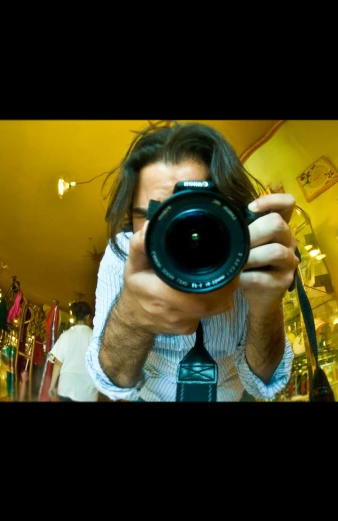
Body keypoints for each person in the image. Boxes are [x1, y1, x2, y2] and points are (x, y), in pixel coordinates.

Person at [85, 121, 298, 402]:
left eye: (194, 216)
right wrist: (133, 317)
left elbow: (263, 385)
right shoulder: (123, 255)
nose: (178, 234)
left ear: (233, 214)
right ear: (131, 217)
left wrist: (265, 306)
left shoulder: (244, 251)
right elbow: (112, 383)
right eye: (154, 216)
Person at [47, 301, 98, 402]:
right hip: (87, 393)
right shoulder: (95, 338)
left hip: (66, 389)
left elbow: (57, 362)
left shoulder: (65, 336)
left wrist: (52, 386)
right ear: (88, 317)